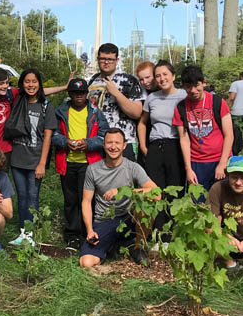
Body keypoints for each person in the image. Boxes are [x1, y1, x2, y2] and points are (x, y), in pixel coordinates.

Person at [79, 129, 158, 269]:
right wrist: (90, 230)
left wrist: (122, 192)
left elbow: (156, 193)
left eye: (117, 143)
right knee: (86, 263)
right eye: (109, 142)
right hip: (105, 220)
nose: (113, 146)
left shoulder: (132, 167)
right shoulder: (93, 169)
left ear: (124, 146)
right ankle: (115, 246)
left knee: (147, 201)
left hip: (129, 218)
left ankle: (139, 247)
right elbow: (86, 201)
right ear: (104, 145)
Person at [0, 67, 70, 166]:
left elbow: (38, 91)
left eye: (6, 83)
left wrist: (64, 87)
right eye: (1, 83)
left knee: (0, 181)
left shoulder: (10, 94)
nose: (5, 86)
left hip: (4, 148)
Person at [53, 78, 108, 251]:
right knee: (70, 200)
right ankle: (72, 236)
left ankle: (88, 233)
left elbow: (104, 135)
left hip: (89, 163)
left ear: (87, 94)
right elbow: (52, 134)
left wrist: (88, 143)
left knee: (87, 200)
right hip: (67, 162)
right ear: (69, 94)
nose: (79, 96)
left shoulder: (95, 112)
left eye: (82, 93)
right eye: (75, 93)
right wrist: (65, 141)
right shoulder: (61, 111)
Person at [9, 68, 58, 246]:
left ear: (39, 84)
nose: (31, 85)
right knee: (21, 196)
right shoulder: (17, 101)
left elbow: (48, 137)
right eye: (27, 81)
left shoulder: (46, 106)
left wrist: (42, 163)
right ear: (22, 83)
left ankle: (31, 233)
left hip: (35, 159)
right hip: (17, 159)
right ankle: (22, 232)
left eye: (34, 81)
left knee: (32, 196)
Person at [173, 65, 234, 197]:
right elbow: (184, 139)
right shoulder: (181, 108)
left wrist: (222, 164)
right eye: (189, 86)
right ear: (183, 86)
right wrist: (188, 169)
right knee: (198, 204)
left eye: (197, 85)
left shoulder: (218, 102)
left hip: (220, 159)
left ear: (204, 83)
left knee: (223, 202)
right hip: (197, 163)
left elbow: (229, 135)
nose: (193, 90)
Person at [87, 43, 147, 161]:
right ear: (98, 59)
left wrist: (116, 93)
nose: (106, 62)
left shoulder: (128, 80)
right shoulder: (93, 80)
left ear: (117, 60)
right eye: (103, 59)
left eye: (110, 59)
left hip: (122, 143)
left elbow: (136, 113)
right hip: (96, 141)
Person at [138, 60, 186, 188]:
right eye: (158, 76)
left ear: (173, 76)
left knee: (176, 189)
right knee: (154, 190)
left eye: (165, 74)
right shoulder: (152, 98)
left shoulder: (184, 96)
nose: (162, 79)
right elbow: (142, 123)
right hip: (155, 146)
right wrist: (143, 147)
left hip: (176, 147)